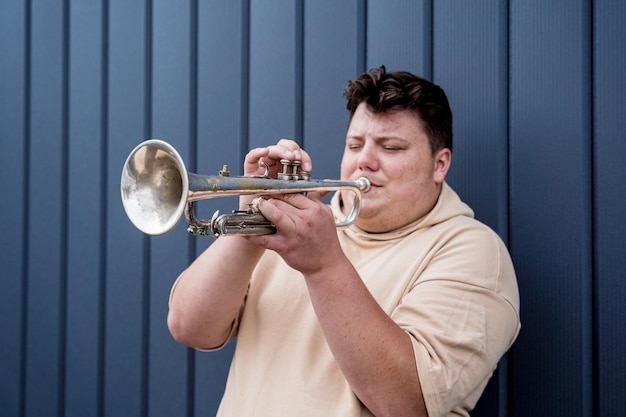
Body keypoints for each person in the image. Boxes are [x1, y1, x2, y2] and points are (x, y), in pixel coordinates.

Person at [167, 66, 520, 417]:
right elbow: (189, 327)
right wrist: (251, 222)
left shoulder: (472, 252)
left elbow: (407, 403)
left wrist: (323, 267)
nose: (364, 160)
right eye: (354, 144)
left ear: (439, 165)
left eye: (391, 147)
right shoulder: (299, 227)